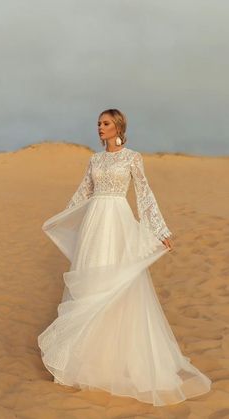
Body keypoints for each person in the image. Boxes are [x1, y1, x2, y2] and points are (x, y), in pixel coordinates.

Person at [37, 108, 211, 406]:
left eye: (105, 123)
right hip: (95, 224)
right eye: (98, 124)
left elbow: (144, 194)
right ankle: (83, 364)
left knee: (116, 287)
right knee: (91, 286)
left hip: (117, 222)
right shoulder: (94, 159)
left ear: (118, 126)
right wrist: (61, 219)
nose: (99, 128)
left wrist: (160, 229)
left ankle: (116, 364)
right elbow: (82, 194)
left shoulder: (133, 157)